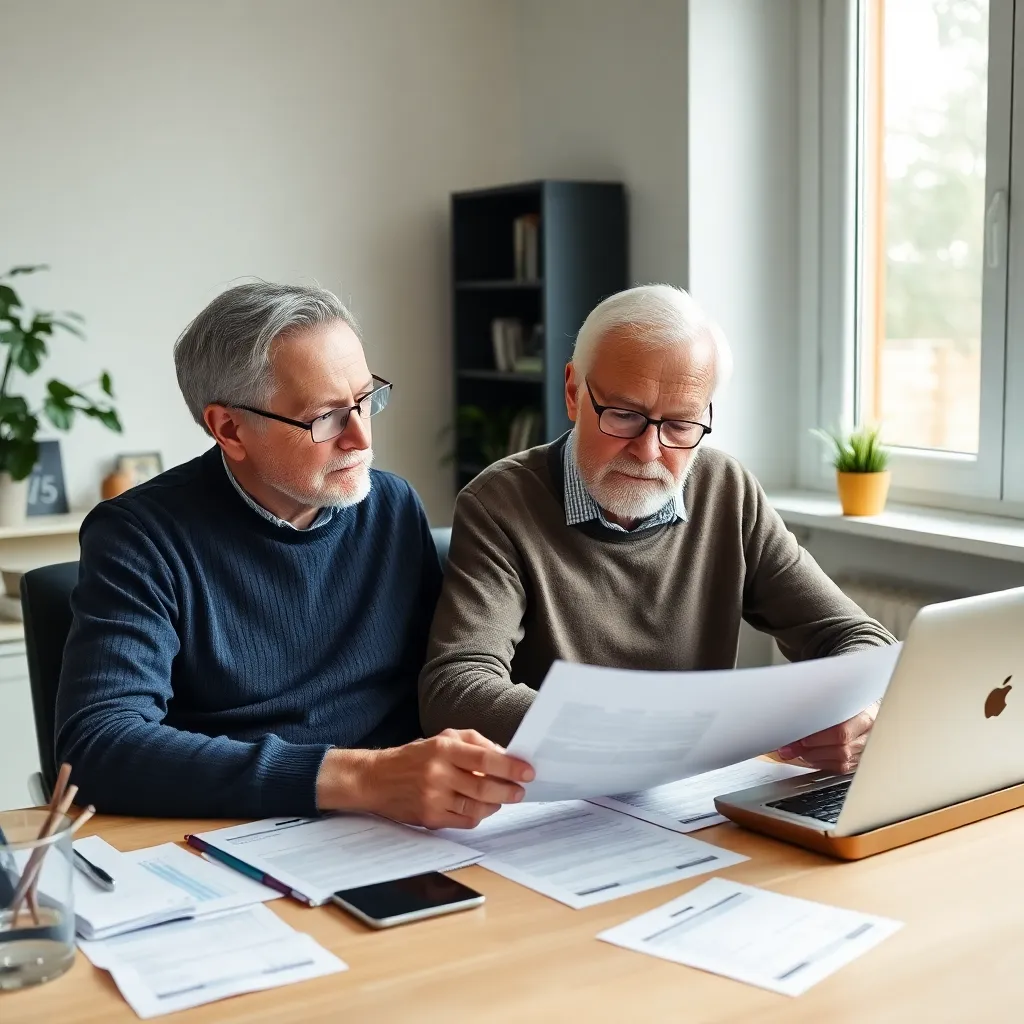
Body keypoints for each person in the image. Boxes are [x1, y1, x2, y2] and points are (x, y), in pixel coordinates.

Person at [55, 282, 532, 826]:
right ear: (229, 428)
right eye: (326, 417)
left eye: (364, 399)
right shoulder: (139, 537)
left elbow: (440, 685)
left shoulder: (393, 506)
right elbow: (97, 746)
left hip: (405, 827)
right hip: (239, 831)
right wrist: (361, 779)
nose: (359, 437)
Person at [419, 284, 895, 775]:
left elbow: (857, 636)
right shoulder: (499, 503)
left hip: (691, 797)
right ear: (572, 392)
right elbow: (456, 690)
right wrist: (641, 734)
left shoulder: (726, 489)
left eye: (681, 425)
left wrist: (856, 712)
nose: (649, 451)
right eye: (624, 416)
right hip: (562, 799)